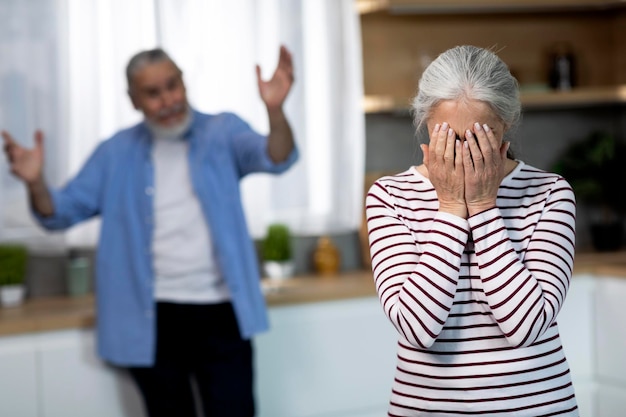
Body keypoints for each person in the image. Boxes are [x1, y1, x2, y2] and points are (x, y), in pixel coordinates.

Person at [2, 45, 298, 417]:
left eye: (172, 86)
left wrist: (275, 111)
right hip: (152, 320)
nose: (168, 100)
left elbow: (277, 156)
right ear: (133, 100)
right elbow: (59, 213)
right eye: (153, 93)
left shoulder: (223, 132)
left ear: (184, 83)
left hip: (222, 313)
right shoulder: (115, 153)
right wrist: (35, 183)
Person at [365, 45, 578, 416]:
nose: (464, 156)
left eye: (480, 138)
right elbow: (416, 329)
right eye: (448, 138)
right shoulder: (389, 196)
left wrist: (481, 207)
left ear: (506, 124)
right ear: (425, 125)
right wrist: (450, 208)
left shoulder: (550, 193)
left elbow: (526, 327)